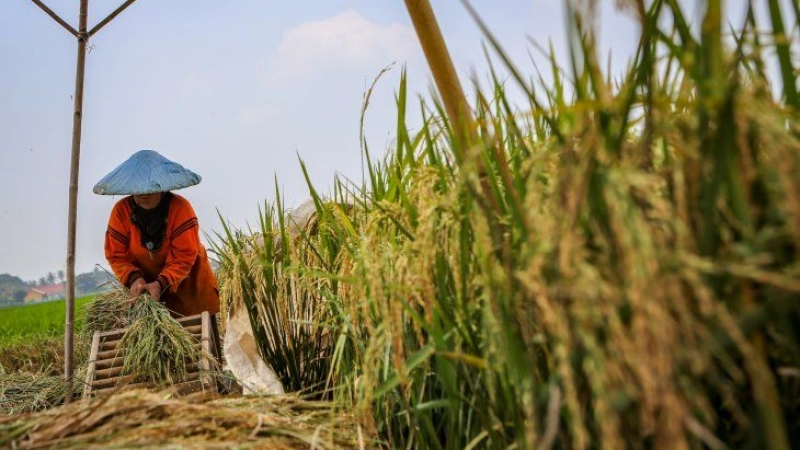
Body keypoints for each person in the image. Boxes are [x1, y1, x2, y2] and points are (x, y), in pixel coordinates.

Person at [94, 150, 220, 317]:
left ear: (162, 185)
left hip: (193, 290)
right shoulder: (121, 212)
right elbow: (116, 255)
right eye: (139, 188)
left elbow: (184, 256)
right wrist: (135, 280)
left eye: (150, 187)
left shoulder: (181, 209)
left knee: (203, 330)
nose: (144, 193)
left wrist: (161, 284)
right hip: (152, 297)